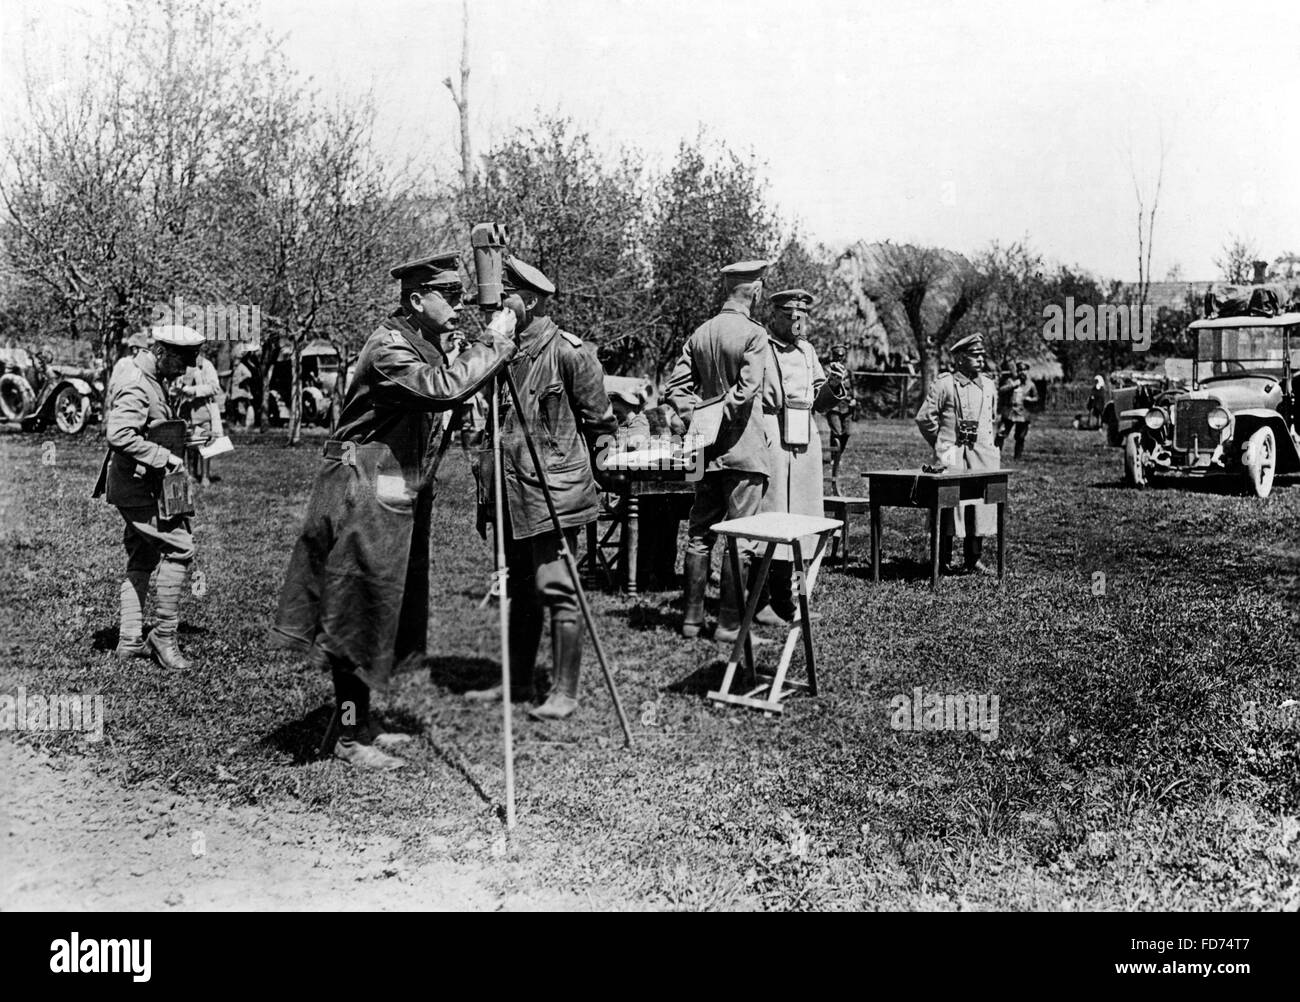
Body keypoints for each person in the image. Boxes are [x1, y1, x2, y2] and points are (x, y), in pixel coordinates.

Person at [271, 251, 518, 770]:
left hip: (390, 486)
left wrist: (472, 353)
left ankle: (361, 719)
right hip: (360, 488)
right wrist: (493, 342)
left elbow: (453, 384)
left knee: (378, 607)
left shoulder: (419, 343)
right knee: (354, 608)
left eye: (458, 295)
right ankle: (346, 735)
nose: (458, 305)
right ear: (415, 300)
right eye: (447, 296)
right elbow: (444, 390)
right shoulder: (388, 349)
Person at [465, 256, 617, 721]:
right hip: (511, 492)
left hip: (552, 493)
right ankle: (517, 683)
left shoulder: (569, 352)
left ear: (529, 301)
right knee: (519, 589)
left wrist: (599, 479)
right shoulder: (500, 348)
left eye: (505, 298)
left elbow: (602, 425)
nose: (494, 309)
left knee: (557, 587)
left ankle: (565, 693)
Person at [666, 260, 771, 643]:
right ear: (755, 291)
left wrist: (699, 418)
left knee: (698, 535)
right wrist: (720, 419)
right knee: (740, 537)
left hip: (703, 451)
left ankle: (691, 621)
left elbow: (675, 388)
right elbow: (745, 393)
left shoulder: (701, 332)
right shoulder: (754, 334)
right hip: (742, 449)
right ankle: (728, 625)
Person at [92, 325, 205, 669]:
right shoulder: (137, 382)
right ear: (163, 352)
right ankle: (163, 636)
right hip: (139, 486)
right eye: (182, 360)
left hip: (143, 484)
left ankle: (129, 641)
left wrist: (182, 439)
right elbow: (120, 435)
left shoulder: (145, 374)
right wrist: (166, 458)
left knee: (142, 555)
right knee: (180, 547)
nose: (185, 369)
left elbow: (147, 429)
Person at [753, 290, 850, 626]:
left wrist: (834, 385)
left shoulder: (808, 351)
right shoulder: (759, 345)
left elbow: (821, 402)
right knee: (771, 517)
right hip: (772, 438)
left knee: (802, 521)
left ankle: (791, 601)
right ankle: (762, 601)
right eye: (790, 316)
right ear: (775, 315)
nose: (797, 322)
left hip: (804, 439)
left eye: (802, 317)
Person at [914, 332, 1000, 574]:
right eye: (974, 355)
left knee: (980, 506)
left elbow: (990, 419)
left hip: (982, 455)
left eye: (982, 355)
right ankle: (942, 560)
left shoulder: (989, 385)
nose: (980, 359)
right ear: (960, 358)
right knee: (948, 505)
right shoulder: (944, 384)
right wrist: (942, 444)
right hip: (952, 455)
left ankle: (974, 559)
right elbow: (924, 418)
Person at [177, 346, 224, 485]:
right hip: (187, 411)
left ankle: (205, 476)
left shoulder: (206, 366)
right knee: (190, 443)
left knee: (206, 443)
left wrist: (194, 391)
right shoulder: (183, 365)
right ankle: (191, 473)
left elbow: (215, 387)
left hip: (203, 410)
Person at [823, 343, 854, 493]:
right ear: (833, 355)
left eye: (842, 355)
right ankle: (834, 457)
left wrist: (854, 398)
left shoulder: (848, 371)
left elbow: (852, 387)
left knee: (846, 433)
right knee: (837, 432)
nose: (840, 358)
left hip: (846, 406)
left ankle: (838, 454)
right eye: (837, 355)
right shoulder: (827, 369)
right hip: (833, 406)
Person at [995, 361, 1040, 459]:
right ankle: (995, 455)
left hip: (1023, 413)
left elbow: (1036, 397)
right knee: (1001, 433)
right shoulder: (1011, 381)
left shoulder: (1031, 385)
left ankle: (1017, 457)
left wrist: (1030, 399)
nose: (1022, 372)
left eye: (1024, 370)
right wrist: (1013, 385)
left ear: (1027, 371)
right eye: (1020, 370)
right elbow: (1001, 390)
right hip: (1009, 412)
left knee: (1020, 437)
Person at [228, 349, 257, 429]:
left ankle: (243, 424)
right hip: (236, 392)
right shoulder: (235, 367)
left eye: (237, 359)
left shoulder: (242, 367)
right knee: (237, 408)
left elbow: (249, 375)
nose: (235, 361)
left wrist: (241, 380)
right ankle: (239, 423)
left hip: (241, 392)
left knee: (241, 408)